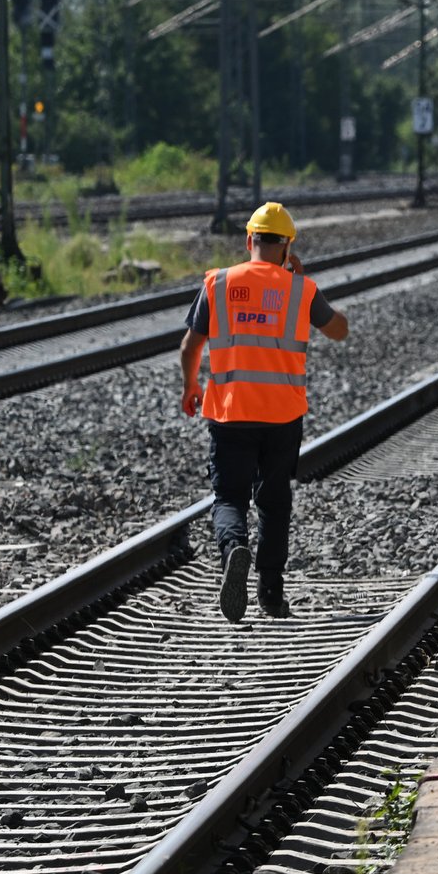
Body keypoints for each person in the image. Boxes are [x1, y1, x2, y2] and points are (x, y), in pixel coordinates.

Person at [179, 202, 350, 622]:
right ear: (288, 247)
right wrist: (302, 279)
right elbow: (339, 330)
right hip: (282, 415)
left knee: (229, 496)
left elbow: (189, 346)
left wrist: (191, 386)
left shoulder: (219, 283)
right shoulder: (301, 290)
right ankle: (271, 595)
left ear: (248, 240)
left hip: (230, 412)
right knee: (274, 502)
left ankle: (234, 547)